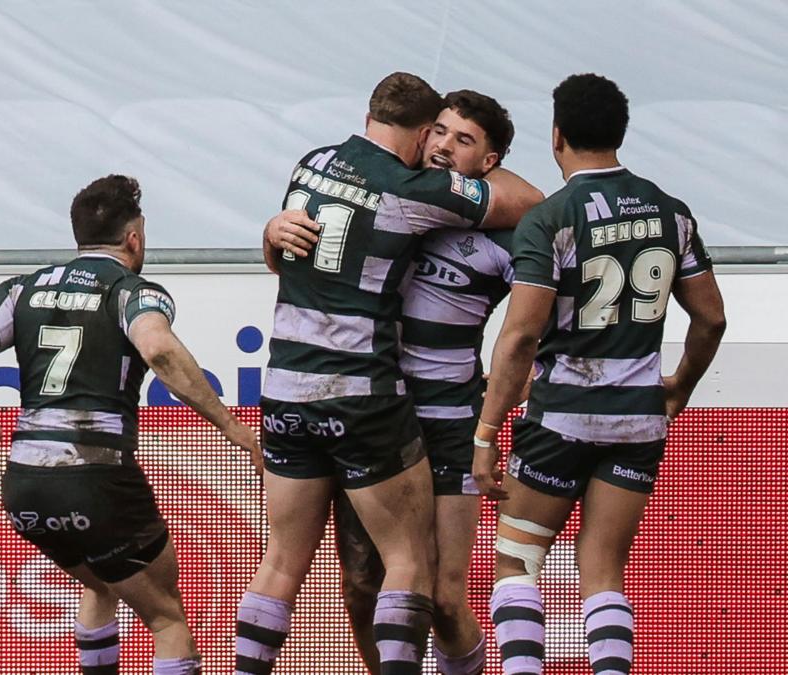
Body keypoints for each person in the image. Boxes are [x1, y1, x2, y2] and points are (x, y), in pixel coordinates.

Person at [239, 73, 542, 675]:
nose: (445, 147)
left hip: (441, 418)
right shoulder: (412, 189)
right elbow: (311, 259)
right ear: (424, 131)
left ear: (489, 157)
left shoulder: (495, 231)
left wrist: (521, 381)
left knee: (446, 599)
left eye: (463, 140)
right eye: (441, 133)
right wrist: (271, 234)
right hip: (375, 409)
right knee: (361, 583)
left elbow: (541, 273)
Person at [0, 175, 261, 675]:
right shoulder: (132, 290)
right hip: (96, 476)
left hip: (24, 484)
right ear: (134, 237)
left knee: (100, 584)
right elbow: (157, 348)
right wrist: (229, 425)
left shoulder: (21, 289)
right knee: (166, 616)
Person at [473, 73, 726, 674]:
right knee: (604, 572)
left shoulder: (552, 218)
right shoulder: (670, 211)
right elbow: (711, 319)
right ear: (622, 133)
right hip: (638, 416)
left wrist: (485, 434)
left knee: (516, 562)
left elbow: (521, 336)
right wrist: (680, 387)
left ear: (556, 135)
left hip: (562, 414)